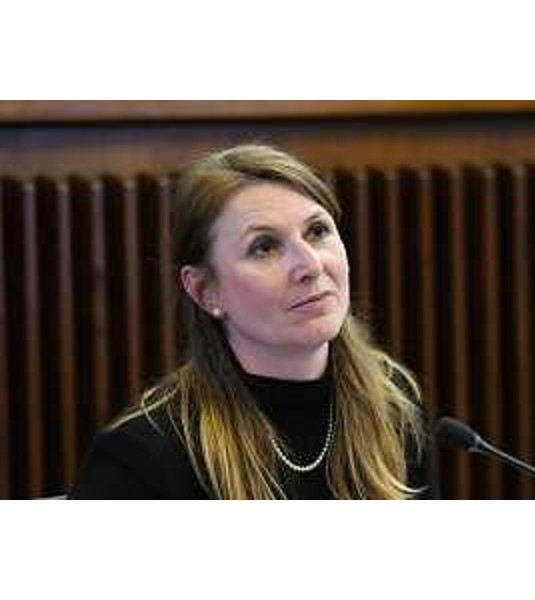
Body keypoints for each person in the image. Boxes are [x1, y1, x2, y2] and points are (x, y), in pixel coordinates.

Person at [69, 144, 435, 500]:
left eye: (317, 231)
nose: (310, 265)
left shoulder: (392, 403)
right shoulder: (140, 458)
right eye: (265, 247)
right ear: (205, 291)